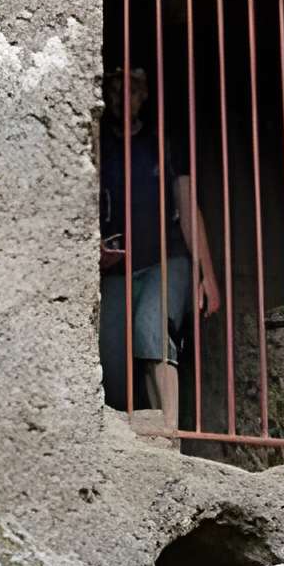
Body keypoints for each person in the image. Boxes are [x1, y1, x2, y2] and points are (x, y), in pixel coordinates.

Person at [98, 62, 222, 429]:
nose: (125, 98)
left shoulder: (164, 142)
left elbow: (187, 206)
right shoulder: (96, 142)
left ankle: (168, 436)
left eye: (134, 90)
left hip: (167, 258)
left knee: (152, 329)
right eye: (118, 89)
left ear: (146, 96)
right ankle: (124, 440)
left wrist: (208, 276)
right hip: (116, 268)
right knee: (111, 358)